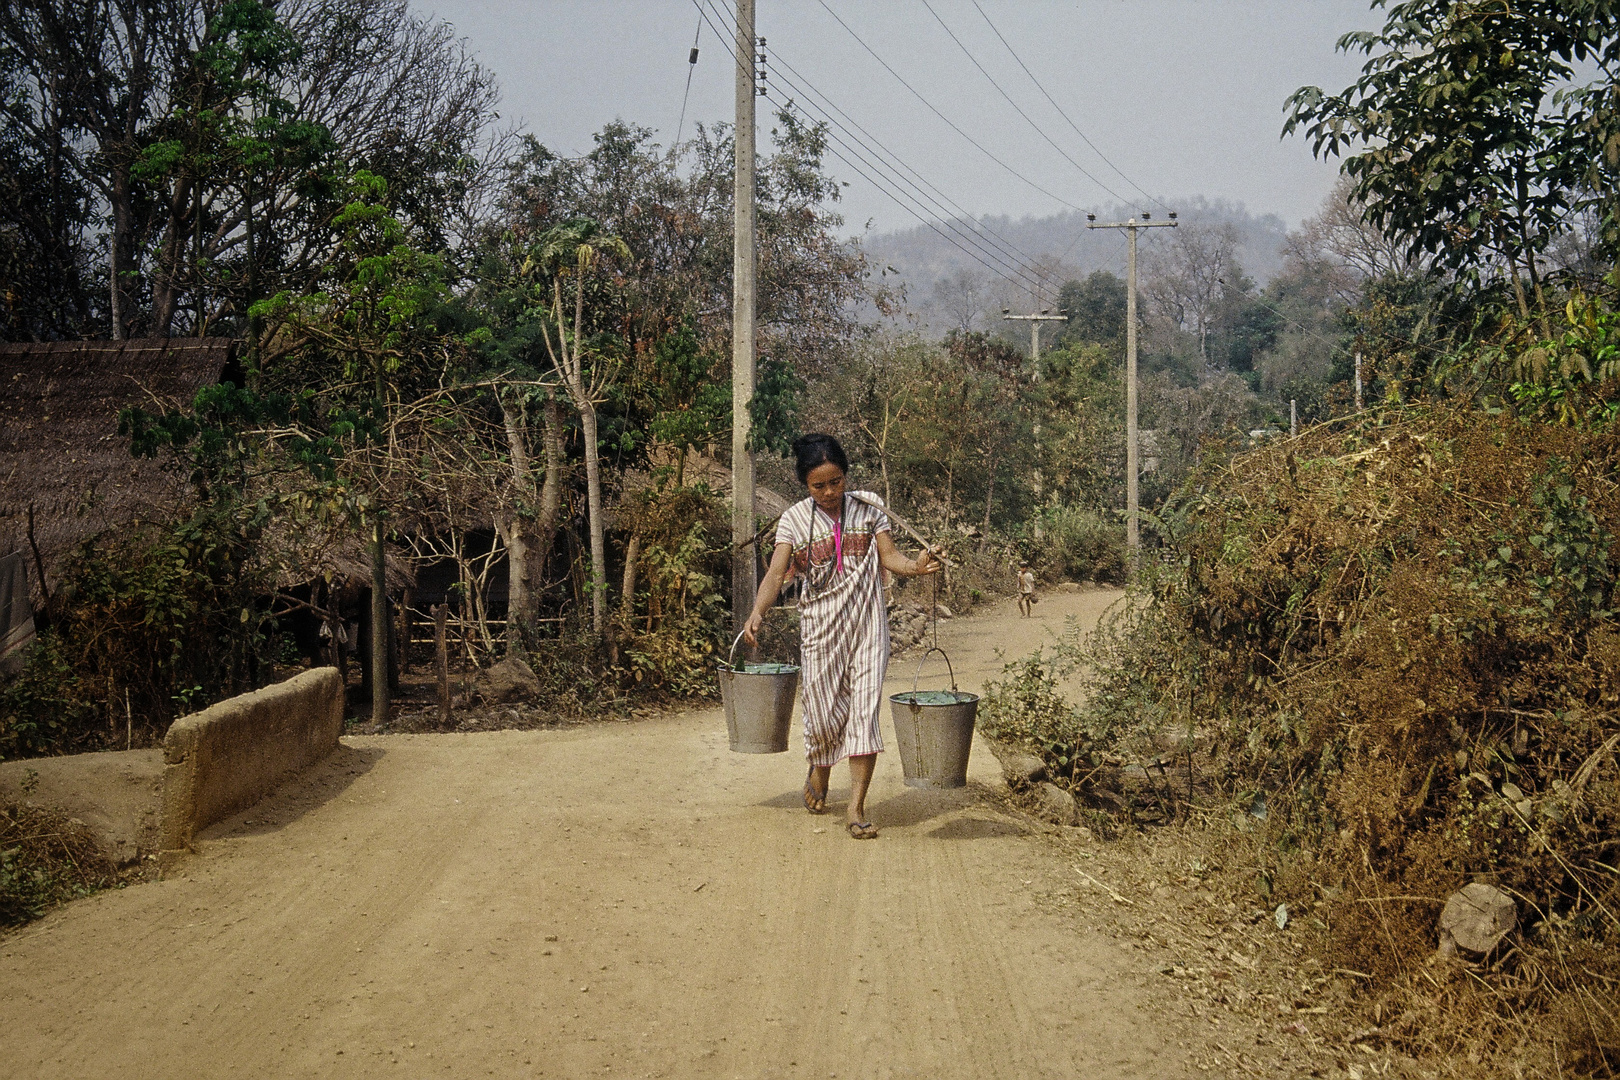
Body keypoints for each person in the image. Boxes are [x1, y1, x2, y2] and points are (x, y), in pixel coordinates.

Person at [742, 433, 940, 840]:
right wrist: (757, 612)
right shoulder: (794, 519)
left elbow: (890, 558)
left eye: (836, 481)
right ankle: (821, 766)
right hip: (820, 630)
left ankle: (856, 806)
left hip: (868, 627)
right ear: (805, 484)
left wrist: (917, 567)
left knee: (863, 714)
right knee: (823, 715)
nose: (830, 492)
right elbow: (777, 574)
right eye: (819, 485)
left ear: (846, 476)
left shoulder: (869, 508)